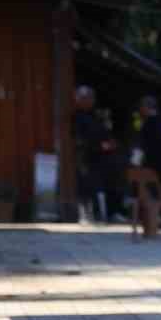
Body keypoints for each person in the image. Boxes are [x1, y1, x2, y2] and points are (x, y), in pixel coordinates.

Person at [71, 85, 118, 222]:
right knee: (85, 185)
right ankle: (84, 215)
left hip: (101, 157)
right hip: (85, 156)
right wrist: (99, 146)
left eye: (91, 98)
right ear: (79, 100)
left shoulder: (96, 116)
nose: (90, 101)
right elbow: (80, 139)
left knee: (101, 185)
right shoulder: (78, 117)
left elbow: (105, 133)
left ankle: (104, 214)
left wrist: (110, 142)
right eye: (86, 98)